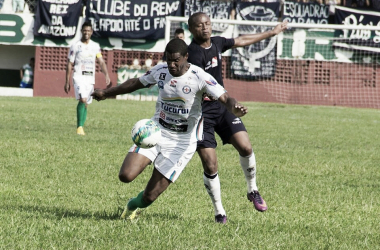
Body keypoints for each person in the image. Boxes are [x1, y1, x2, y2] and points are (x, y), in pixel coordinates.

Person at [91, 38, 248, 221]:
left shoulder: (200, 77)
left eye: (176, 60)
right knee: (125, 175)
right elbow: (135, 83)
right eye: (168, 60)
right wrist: (106, 93)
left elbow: (225, 98)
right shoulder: (161, 71)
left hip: (181, 143)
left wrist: (234, 108)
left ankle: (132, 206)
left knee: (149, 196)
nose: (172, 65)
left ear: (186, 57)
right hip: (155, 131)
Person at [187, 12, 288, 223]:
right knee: (211, 165)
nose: (204, 27)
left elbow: (241, 41)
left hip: (222, 107)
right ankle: (219, 212)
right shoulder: (191, 55)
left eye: (207, 23)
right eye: (199, 25)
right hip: (200, 114)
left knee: (246, 147)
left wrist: (272, 32)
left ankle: (253, 190)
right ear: (191, 29)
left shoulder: (217, 43)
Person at [64, 21, 111, 136]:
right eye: (84, 30)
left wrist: (107, 75)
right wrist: (67, 81)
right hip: (78, 77)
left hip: (90, 79)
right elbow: (70, 63)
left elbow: (100, 61)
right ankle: (79, 127)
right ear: (81, 31)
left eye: (88, 31)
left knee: (86, 103)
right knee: (83, 99)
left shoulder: (95, 46)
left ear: (91, 32)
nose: (86, 32)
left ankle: (82, 127)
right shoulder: (75, 46)